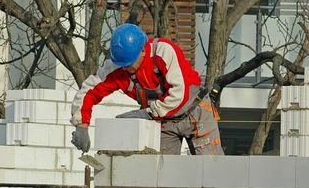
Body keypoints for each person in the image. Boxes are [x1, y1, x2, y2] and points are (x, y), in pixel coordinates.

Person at [70, 23, 223, 155]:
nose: (125, 68)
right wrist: (81, 124)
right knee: (160, 175)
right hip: (163, 122)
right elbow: (89, 90)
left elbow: (179, 93)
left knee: (210, 170)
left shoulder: (163, 51)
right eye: (122, 64)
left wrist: (146, 113)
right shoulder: (118, 66)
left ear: (143, 50)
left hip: (196, 114)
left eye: (129, 64)